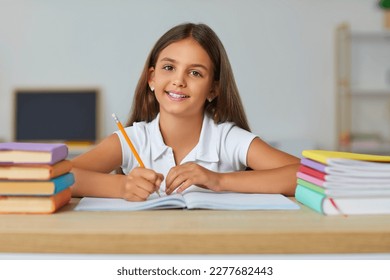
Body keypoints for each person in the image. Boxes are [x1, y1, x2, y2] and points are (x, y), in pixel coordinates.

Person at [71, 22, 300, 201]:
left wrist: (218, 181)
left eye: (195, 73)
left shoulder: (228, 139)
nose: (178, 80)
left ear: (213, 89)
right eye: (169, 68)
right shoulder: (133, 139)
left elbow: (304, 175)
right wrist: (122, 187)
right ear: (152, 78)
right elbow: (60, 176)